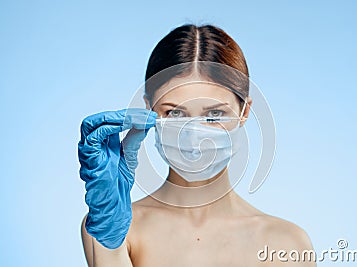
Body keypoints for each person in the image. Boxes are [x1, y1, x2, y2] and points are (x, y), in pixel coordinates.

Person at [78, 24, 316, 266]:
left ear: (244, 111)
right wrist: (108, 240)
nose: (193, 136)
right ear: (148, 110)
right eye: (175, 114)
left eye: (213, 114)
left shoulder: (287, 244)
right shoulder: (114, 228)